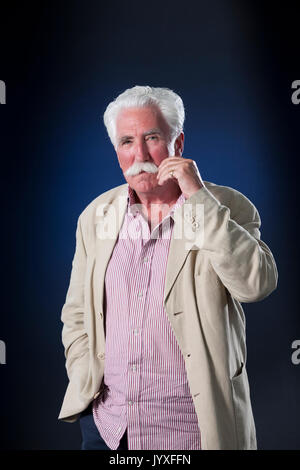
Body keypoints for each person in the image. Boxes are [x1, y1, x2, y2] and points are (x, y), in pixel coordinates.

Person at [58, 85, 278, 450]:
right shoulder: (95, 216)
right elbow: (77, 312)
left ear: (177, 144)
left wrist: (198, 198)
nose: (139, 154)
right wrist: (86, 375)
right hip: (109, 430)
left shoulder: (230, 207)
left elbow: (256, 283)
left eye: (152, 138)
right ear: (117, 151)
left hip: (191, 431)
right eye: (127, 141)